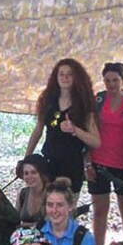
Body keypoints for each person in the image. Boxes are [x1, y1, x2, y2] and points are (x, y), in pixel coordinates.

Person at [86, 62, 123, 245]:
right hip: (98, 161)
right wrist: (87, 161)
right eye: (107, 80)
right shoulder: (98, 100)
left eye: (115, 80)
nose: (111, 84)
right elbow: (88, 130)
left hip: (122, 164)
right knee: (100, 210)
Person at [25, 58, 101, 193]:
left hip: (71, 165)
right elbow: (38, 130)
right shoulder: (48, 100)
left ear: (77, 77)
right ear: (56, 77)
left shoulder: (84, 105)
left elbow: (96, 142)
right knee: (46, 206)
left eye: (70, 74)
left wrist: (75, 130)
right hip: (48, 161)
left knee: (65, 207)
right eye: (61, 74)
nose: (65, 77)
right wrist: (27, 158)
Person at [40, 177, 95, 245]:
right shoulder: (37, 232)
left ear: (70, 206)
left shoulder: (83, 236)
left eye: (60, 205)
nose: (54, 210)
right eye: (50, 205)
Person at [15, 153, 51, 228]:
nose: (29, 177)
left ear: (42, 174)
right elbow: (15, 220)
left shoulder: (51, 194)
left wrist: (25, 225)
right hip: (23, 237)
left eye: (34, 172)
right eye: (26, 173)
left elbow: (50, 225)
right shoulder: (23, 193)